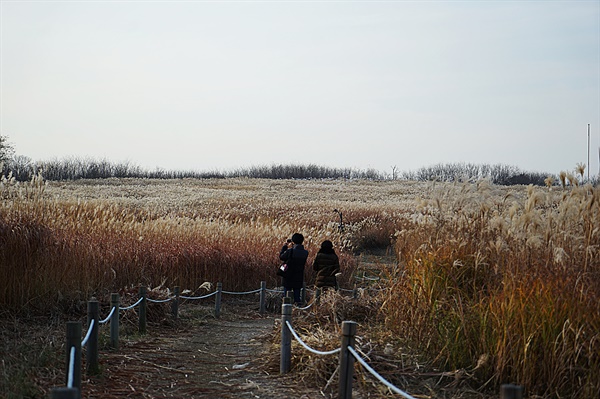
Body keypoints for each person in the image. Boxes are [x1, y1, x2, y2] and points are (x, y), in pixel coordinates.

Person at [279, 233, 309, 305]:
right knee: (297, 297)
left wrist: (285, 246)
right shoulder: (305, 253)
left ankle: (286, 311)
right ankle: (297, 311)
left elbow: (281, 257)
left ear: (293, 241)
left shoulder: (290, 251)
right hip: (298, 276)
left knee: (286, 296)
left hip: (288, 276)